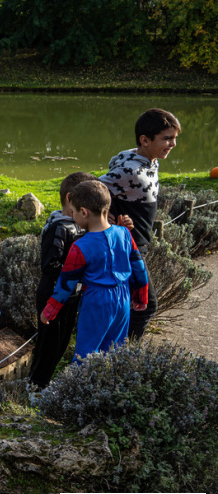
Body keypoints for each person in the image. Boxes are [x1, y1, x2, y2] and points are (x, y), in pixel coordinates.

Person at [40, 181, 149, 360]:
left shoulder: (80, 246)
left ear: (84, 212)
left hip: (97, 301)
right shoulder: (124, 234)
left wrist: (50, 309)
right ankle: (107, 384)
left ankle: (79, 384)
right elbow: (139, 267)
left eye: (74, 212)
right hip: (123, 298)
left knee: (87, 351)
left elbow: (67, 282)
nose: (73, 216)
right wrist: (141, 295)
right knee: (115, 349)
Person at [98, 108, 181, 340]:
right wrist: (107, 216)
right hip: (130, 248)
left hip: (137, 245)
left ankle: (115, 352)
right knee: (146, 307)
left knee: (131, 304)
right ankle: (126, 355)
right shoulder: (131, 170)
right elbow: (91, 187)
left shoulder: (147, 159)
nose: (172, 144)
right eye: (167, 138)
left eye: (174, 138)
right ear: (145, 140)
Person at [28, 172, 90, 389]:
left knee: (62, 342)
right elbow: (49, 266)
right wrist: (80, 273)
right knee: (49, 344)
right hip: (53, 294)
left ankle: (43, 383)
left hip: (71, 294)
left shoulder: (80, 225)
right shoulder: (59, 227)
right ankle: (36, 386)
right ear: (70, 198)